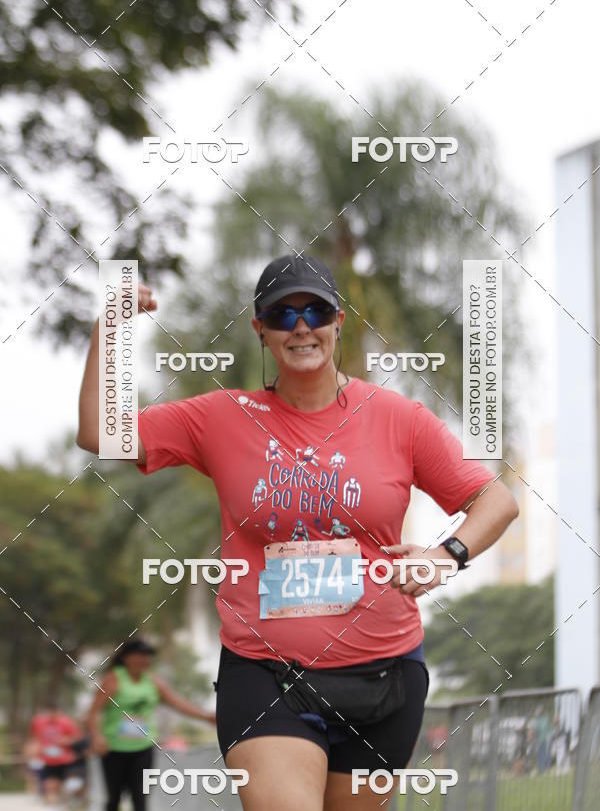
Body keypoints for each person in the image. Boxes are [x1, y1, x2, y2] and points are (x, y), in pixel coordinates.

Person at [76, 254, 519, 810]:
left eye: (316, 310)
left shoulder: (398, 417)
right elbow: (100, 433)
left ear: (338, 322)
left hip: (386, 676)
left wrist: (446, 554)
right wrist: (111, 324)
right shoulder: (222, 418)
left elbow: (494, 500)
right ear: (260, 330)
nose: (301, 325)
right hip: (266, 675)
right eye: (283, 314)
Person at [87, 638, 214, 811]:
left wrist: (206, 717)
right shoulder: (113, 679)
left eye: (147, 656)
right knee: (114, 798)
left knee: (140, 798)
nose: (144, 660)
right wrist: (97, 736)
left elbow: (178, 703)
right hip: (114, 748)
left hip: (143, 748)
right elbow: (93, 712)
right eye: (139, 655)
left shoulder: (152, 681)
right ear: (126, 657)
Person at [29, 701, 84, 807]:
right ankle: (51, 804)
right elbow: (34, 738)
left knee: (64, 787)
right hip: (47, 760)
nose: (51, 715)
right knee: (51, 786)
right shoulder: (38, 722)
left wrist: (66, 741)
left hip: (64, 760)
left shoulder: (66, 722)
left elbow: (77, 737)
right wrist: (34, 749)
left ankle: (61, 802)